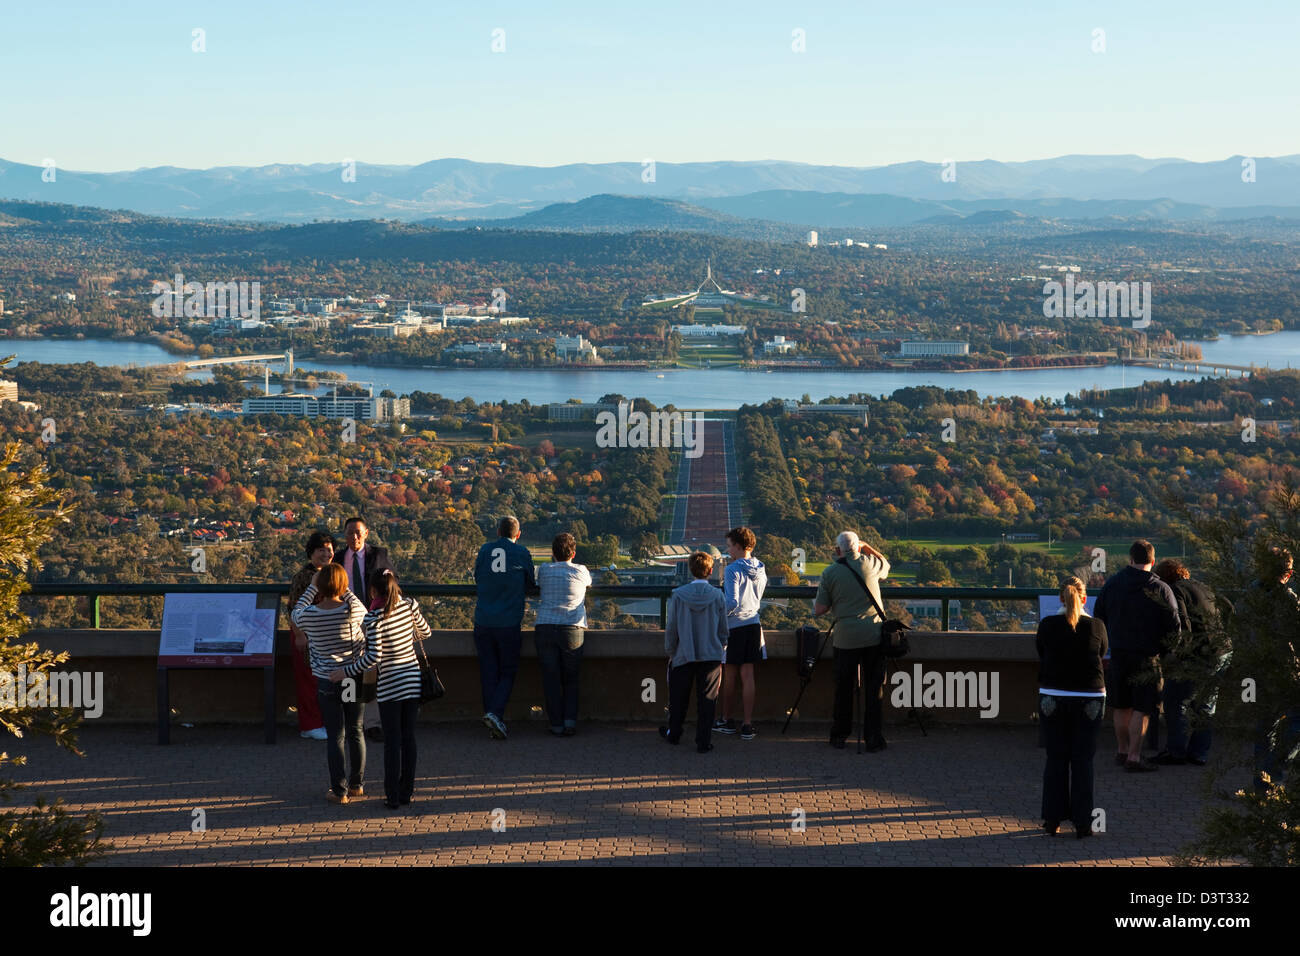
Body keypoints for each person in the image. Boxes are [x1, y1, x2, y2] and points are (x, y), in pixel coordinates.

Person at [332, 570, 431, 810]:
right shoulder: (409, 605)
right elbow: (426, 632)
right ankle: (406, 791)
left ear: (374, 591)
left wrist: (345, 671)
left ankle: (392, 795)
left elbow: (373, 658)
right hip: (412, 679)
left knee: (392, 742)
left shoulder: (373, 618)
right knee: (409, 738)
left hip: (390, 686)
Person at [1093, 539, 1181, 773]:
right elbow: (1174, 627)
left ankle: (1121, 750)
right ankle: (1134, 755)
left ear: (1130, 559)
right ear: (1152, 561)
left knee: (1121, 706)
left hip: (1119, 654)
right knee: (1142, 708)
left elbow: (1098, 618)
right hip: (1148, 657)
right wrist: (1166, 652)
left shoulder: (1112, 585)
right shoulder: (1161, 589)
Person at [1036, 577, 1109, 839]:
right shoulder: (1097, 626)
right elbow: (1102, 652)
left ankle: (1052, 820)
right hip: (1090, 696)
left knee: (1056, 758)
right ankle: (1083, 822)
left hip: (1053, 696)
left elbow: (1041, 653)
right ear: (1085, 599)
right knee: (1083, 760)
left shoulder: (1047, 625)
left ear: (1060, 598)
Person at [291, 563, 367, 805]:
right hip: (349, 677)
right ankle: (357, 785)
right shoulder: (350, 611)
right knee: (355, 731)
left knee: (336, 735)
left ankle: (339, 790)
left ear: (319, 587)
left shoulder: (309, 616)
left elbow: (296, 610)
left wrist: (313, 586)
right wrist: (343, 588)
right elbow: (361, 607)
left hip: (325, 680)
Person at [813, 531, 891, 752]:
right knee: (874, 689)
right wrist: (866, 547)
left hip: (846, 638)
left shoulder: (830, 573)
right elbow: (886, 564)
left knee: (843, 688)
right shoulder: (870, 564)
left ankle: (839, 735)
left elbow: (819, 610)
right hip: (874, 636)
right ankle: (874, 738)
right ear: (858, 547)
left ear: (837, 550)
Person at [1152, 558, 1222, 766]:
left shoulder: (1173, 591)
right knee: (1206, 705)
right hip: (1221, 650)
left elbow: (1182, 623)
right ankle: (1199, 753)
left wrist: (1177, 653)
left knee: (1174, 701)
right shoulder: (1203, 586)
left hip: (1198, 653)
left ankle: (1176, 751)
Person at [472, 516, 537, 740]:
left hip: (483, 620)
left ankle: (492, 718)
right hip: (508, 622)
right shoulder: (522, 553)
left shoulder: (484, 550)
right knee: (507, 672)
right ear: (518, 534)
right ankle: (494, 714)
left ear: (497, 531)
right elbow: (531, 583)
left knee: (488, 672)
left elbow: (477, 577)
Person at [333, 516, 394, 743]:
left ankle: (372, 724)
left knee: (372, 672)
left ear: (366, 533)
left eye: (358, 532)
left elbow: (392, 584)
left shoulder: (379, 555)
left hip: (373, 621)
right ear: (345, 535)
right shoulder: (337, 559)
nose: (354, 537)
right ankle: (350, 723)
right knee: (349, 672)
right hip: (346, 623)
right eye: (350, 533)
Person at [660, 551, 728, 753]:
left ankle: (675, 734)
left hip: (683, 653)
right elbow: (723, 629)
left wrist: (671, 651)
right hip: (711, 655)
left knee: (678, 699)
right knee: (707, 701)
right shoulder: (718, 596)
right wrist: (720, 646)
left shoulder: (678, 595)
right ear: (710, 570)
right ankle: (703, 741)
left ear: (691, 570)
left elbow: (671, 627)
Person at [1245, 545, 1300, 792]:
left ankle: (1262, 782)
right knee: (1294, 722)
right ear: (1287, 573)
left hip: (1255, 670)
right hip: (1283, 670)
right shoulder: (1286, 599)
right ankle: (1273, 773)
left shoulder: (1249, 595)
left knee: (1264, 725)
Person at [534, 532, 591, 737]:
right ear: (573, 553)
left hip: (545, 627)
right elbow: (587, 584)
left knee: (551, 679)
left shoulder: (544, 570)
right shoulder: (581, 571)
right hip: (572, 628)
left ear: (552, 553)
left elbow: (539, 585)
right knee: (571, 679)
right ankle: (569, 722)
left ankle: (556, 723)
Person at [715, 527, 767, 740]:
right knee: (748, 676)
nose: (728, 551)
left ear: (738, 546)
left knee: (730, 676)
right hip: (753, 624)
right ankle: (747, 724)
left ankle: (727, 720)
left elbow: (732, 601)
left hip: (735, 626)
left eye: (729, 546)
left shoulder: (732, 569)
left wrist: (718, 617)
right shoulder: (761, 568)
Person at [287, 531, 332, 740]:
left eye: (329, 548)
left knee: (322, 681)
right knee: (308, 681)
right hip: (306, 634)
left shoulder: (331, 573)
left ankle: (321, 722)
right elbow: (292, 608)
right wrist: (299, 635)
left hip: (323, 636)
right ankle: (309, 725)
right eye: (321, 549)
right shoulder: (304, 576)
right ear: (311, 553)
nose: (326, 553)